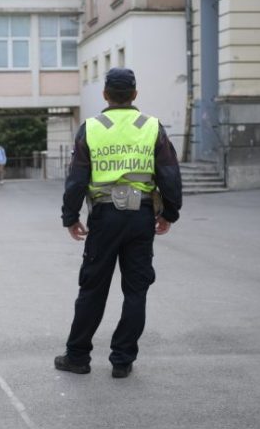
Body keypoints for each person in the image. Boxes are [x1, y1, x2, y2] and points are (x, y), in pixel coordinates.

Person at [55, 67, 182, 379]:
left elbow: (76, 178)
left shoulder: (91, 128)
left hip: (105, 217)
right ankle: (122, 360)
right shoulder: (152, 126)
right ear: (135, 95)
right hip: (140, 218)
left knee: (93, 288)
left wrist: (70, 217)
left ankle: (78, 357)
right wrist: (169, 213)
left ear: (105, 95)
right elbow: (169, 174)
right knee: (136, 290)